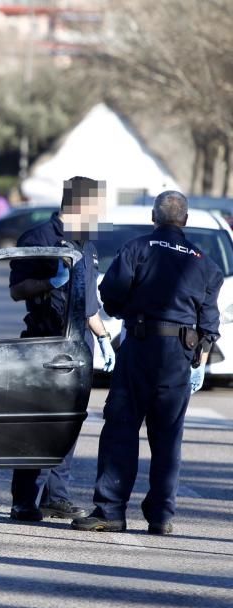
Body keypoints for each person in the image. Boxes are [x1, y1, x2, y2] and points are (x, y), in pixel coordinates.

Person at [73, 191, 222, 534]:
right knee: (168, 437)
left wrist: (127, 314)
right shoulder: (205, 262)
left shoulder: (138, 248)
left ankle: (110, 511)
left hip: (141, 345)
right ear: (185, 221)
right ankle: (161, 517)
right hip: (179, 356)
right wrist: (198, 360)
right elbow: (209, 323)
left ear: (154, 218)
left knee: (121, 427)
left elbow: (111, 293)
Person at [7, 176, 115, 523]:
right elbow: (17, 289)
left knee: (69, 425)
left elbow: (90, 305)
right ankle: (23, 500)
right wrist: (48, 282)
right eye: (96, 206)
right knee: (36, 425)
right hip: (43, 342)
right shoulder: (38, 238)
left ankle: (57, 497)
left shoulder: (86, 244)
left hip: (77, 344)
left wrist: (103, 338)